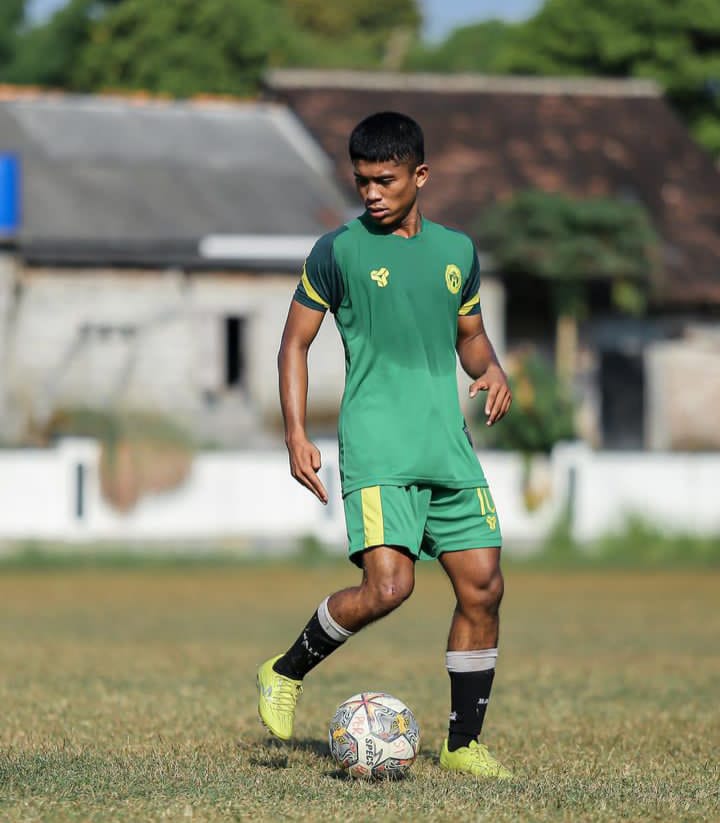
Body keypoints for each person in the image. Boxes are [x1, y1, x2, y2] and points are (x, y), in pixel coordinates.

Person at [257, 111, 513, 778]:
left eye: (385, 180)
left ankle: (463, 745)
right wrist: (294, 432)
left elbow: (470, 336)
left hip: (447, 447)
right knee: (389, 586)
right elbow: (294, 343)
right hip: (376, 448)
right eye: (362, 180)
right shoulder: (337, 252)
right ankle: (286, 670)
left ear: (419, 176)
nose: (370, 192)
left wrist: (491, 369)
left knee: (483, 587)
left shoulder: (458, 252)